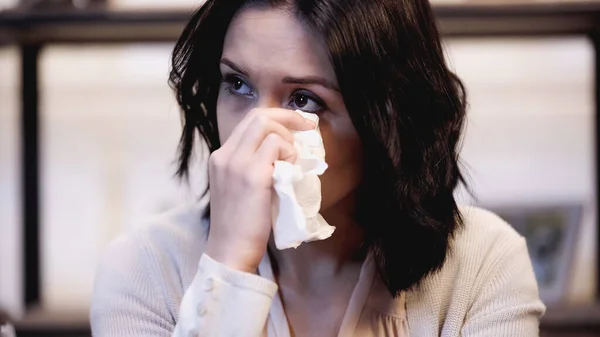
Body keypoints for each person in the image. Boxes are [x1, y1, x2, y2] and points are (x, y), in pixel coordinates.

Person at [90, 0, 546, 336]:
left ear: (387, 117)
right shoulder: (145, 268)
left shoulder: (484, 266)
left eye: (304, 99)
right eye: (238, 84)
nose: (257, 133)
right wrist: (227, 271)